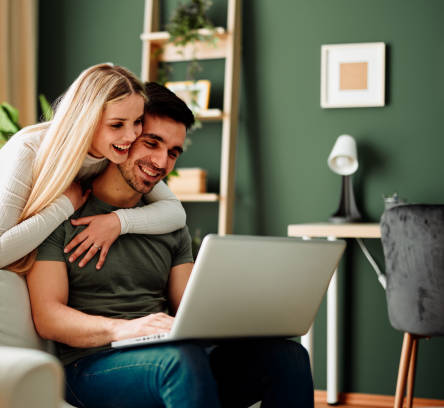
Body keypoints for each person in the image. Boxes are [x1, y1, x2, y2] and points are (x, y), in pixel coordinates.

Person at [27, 82, 314, 408]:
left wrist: (247, 312)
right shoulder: (63, 212)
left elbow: (188, 307)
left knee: (287, 356)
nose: (162, 162)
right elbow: (48, 317)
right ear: (125, 138)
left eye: (173, 152)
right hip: (91, 366)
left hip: (174, 357)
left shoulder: (168, 224)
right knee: (180, 362)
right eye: (152, 143)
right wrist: (126, 329)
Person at [0, 64, 186, 274]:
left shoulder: (116, 149)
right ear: (87, 120)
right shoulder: (30, 149)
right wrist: (64, 205)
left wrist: (117, 222)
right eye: (117, 125)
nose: (131, 136)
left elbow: (175, 212)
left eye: (137, 122)